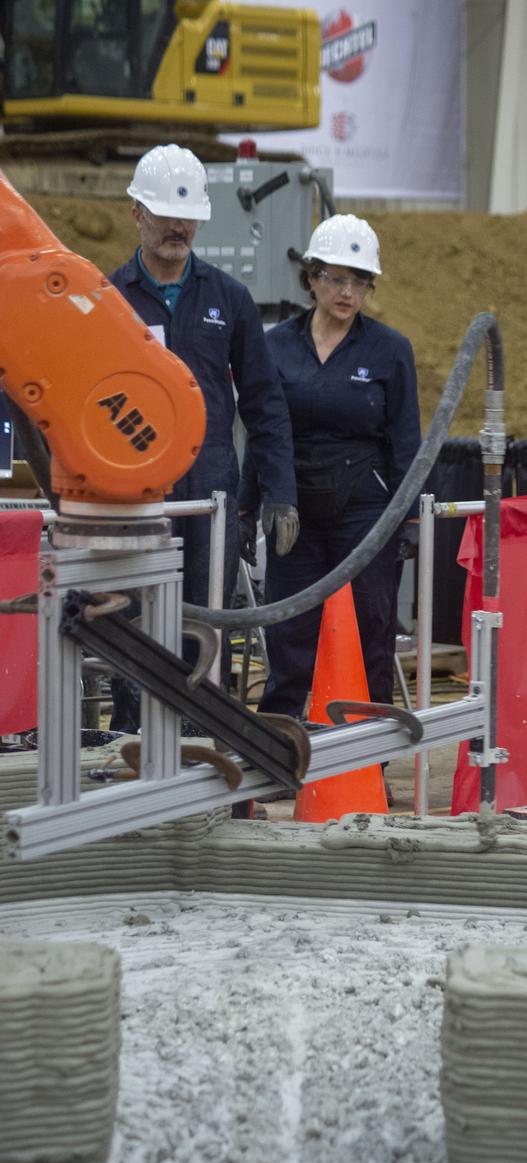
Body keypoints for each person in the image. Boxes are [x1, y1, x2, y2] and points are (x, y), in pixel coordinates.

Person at [108, 143, 299, 731]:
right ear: (137, 212)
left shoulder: (228, 299)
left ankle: (204, 750)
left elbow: (264, 402)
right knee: (133, 619)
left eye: (187, 216)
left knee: (206, 624)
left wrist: (279, 491)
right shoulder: (111, 299)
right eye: (165, 214)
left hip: (212, 494)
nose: (178, 226)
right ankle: (130, 749)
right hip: (138, 494)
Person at [239, 213, 421, 720]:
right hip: (292, 505)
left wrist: (406, 519)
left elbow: (407, 440)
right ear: (312, 278)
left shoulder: (389, 351)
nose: (348, 292)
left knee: (370, 627)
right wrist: (245, 507)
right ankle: (278, 750)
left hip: (365, 509)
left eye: (360, 281)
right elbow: (263, 434)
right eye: (337, 278)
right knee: (288, 628)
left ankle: (368, 757)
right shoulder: (274, 347)